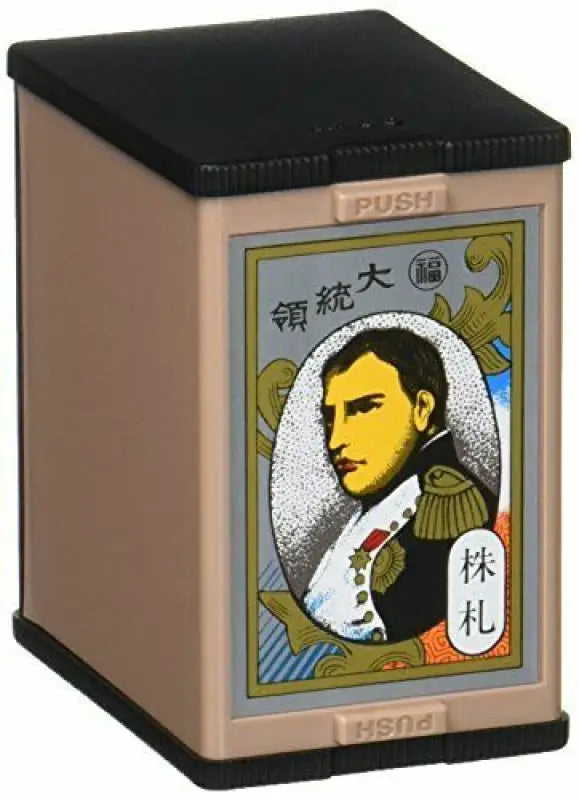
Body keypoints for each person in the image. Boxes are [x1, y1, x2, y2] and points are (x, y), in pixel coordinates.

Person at [303, 328, 498, 644]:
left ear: (422, 408)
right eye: (330, 417)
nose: (336, 439)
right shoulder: (385, 498)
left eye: (363, 408)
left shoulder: (451, 505)